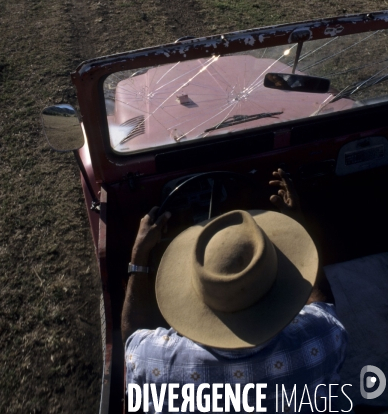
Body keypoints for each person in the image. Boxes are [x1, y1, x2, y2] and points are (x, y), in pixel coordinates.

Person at [122, 169, 347, 413]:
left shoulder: (155, 360)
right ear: (282, 283)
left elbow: (132, 337)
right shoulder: (324, 337)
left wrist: (139, 255)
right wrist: (298, 225)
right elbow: (323, 303)